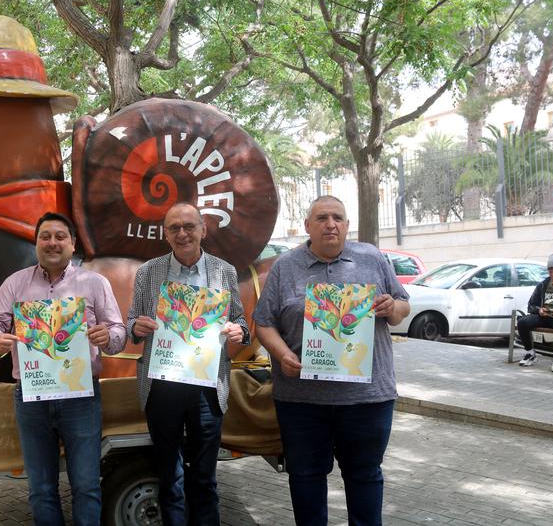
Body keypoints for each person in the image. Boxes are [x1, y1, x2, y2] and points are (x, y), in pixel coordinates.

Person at [252, 195, 410, 526]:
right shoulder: (285, 267)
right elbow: (264, 323)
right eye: (322, 218)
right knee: (306, 478)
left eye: (337, 217)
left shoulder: (372, 258)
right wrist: (282, 354)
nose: (330, 224)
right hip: (302, 401)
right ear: (308, 226)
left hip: (366, 399)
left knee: (365, 476)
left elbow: (401, 306)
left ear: (347, 225)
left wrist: (392, 308)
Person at [0, 212, 125, 526]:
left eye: (60, 236)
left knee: (86, 486)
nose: (52, 243)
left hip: (81, 398)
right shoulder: (15, 283)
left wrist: (108, 336)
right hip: (32, 398)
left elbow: (119, 333)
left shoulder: (94, 282)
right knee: (42, 488)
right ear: (36, 243)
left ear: (73, 244)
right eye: (45, 236)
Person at [128, 201, 250, 525]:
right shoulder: (148, 272)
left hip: (207, 389)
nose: (182, 233)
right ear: (165, 234)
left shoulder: (224, 271)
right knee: (169, 478)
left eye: (189, 226)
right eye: (174, 228)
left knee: (205, 480)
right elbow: (131, 322)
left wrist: (240, 330)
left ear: (203, 230)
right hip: (162, 386)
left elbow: (240, 319)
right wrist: (135, 327)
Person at [518, 253, 553, 373]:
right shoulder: (542, 285)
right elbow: (531, 304)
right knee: (522, 322)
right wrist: (539, 310)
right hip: (543, 316)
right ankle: (530, 353)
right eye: (550, 271)